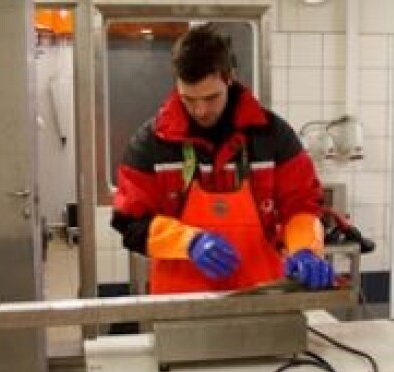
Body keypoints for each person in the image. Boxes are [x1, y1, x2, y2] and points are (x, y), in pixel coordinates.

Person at [111, 23, 334, 294]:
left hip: (263, 296)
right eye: (189, 99)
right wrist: (188, 242)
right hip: (181, 305)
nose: (200, 110)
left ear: (229, 78)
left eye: (211, 97)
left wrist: (305, 247)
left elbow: (302, 206)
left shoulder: (273, 136)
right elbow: (130, 222)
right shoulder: (151, 144)